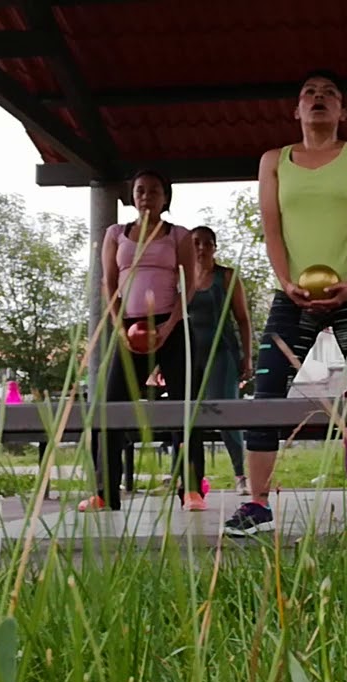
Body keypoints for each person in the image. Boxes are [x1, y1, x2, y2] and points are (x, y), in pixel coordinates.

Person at [224, 70, 347, 536]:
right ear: (296, 110)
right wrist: (286, 283)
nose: (318, 99)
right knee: (266, 393)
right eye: (309, 93)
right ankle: (257, 504)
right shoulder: (273, 161)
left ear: (343, 111)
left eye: (329, 94)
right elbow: (273, 229)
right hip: (292, 294)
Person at [82, 169, 205, 512]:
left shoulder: (178, 235)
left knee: (185, 405)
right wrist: (121, 329)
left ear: (165, 197)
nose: (146, 195)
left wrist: (168, 328)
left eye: (154, 190)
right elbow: (108, 282)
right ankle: (105, 491)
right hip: (128, 327)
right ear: (132, 195)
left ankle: (191, 488)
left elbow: (189, 283)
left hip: (171, 325)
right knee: (110, 407)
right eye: (140, 190)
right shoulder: (115, 234)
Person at [185, 225, 253, 494]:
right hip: (190, 355)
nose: (201, 248)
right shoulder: (181, 277)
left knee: (225, 412)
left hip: (221, 354)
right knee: (188, 415)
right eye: (195, 243)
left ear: (215, 247)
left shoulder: (226, 277)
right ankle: (190, 477)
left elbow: (243, 320)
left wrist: (247, 357)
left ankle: (240, 475)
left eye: (206, 243)